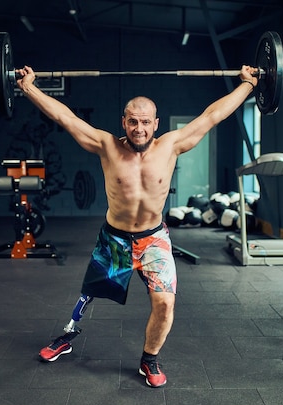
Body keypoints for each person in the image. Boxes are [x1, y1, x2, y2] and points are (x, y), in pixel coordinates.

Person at [16, 64, 258, 388]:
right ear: (124, 122)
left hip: (154, 241)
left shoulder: (171, 145)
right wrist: (28, 87)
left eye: (146, 122)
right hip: (114, 239)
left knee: (165, 302)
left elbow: (212, 116)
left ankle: (149, 359)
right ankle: (67, 334)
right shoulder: (107, 146)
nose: (139, 128)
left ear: (156, 123)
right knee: (90, 292)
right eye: (133, 121)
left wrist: (248, 85)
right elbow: (66, 118)